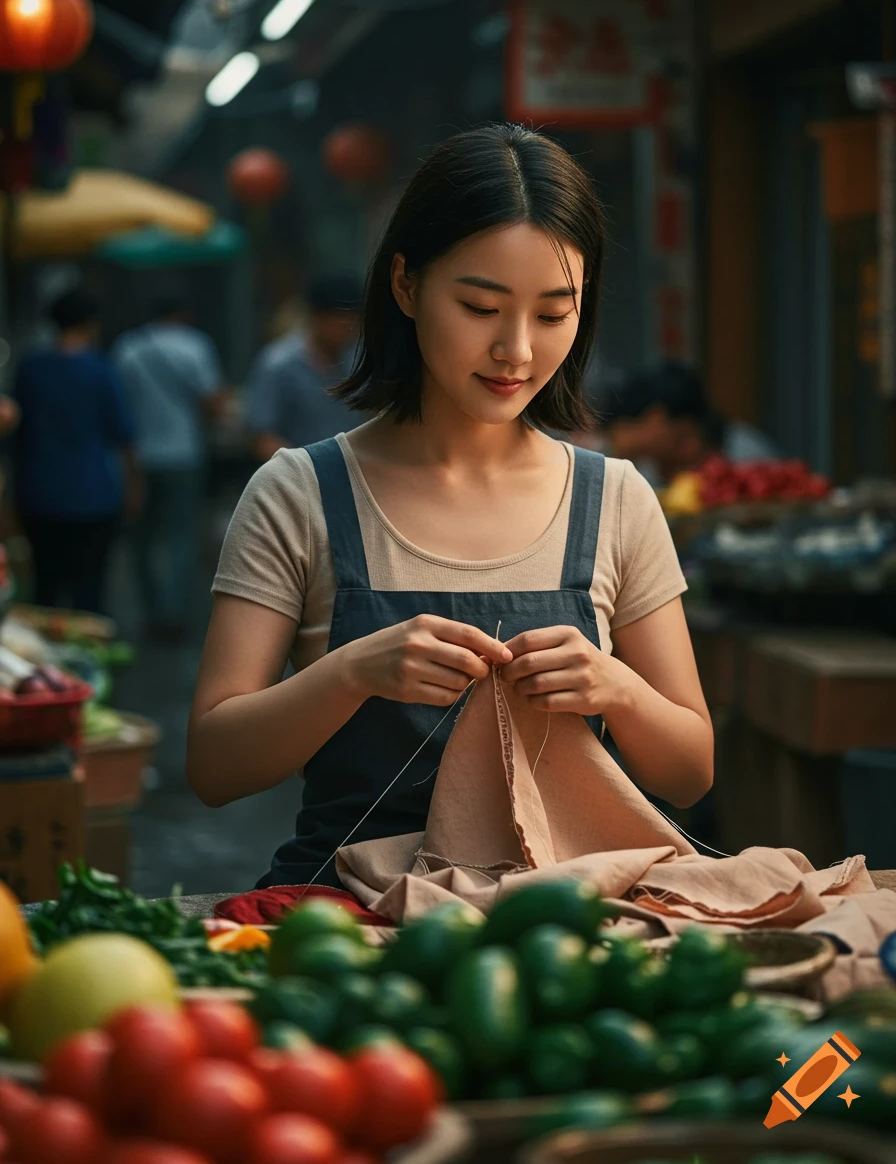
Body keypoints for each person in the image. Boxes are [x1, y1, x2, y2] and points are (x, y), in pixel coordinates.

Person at [187, 123, 713, 890]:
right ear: (405, 285)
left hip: (558, 928)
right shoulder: (297, 493)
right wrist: (352, 671)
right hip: (351, 927)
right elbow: (212, 766)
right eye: (480, 306)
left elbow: (691, 771)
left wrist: (617, 688)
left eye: (552, 313)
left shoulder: (617, 500)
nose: (517, 350)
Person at [11, 287, 141, 614]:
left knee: (45, 588)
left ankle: (41, 661)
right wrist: (135, 484)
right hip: (93, 495)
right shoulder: (100, 370)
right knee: (90, 590)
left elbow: (15, 436)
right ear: (91, 324)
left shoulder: (31, 369)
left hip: (39, 494)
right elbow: (122, 435)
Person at [113, 287, 228, 641]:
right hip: (183, 455)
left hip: (138, 459)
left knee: (141, 539)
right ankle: (173, 613)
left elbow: (118, 406)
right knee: (181, 534)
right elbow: (213, 402)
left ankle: (150, 612)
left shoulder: (127, 347)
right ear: (183, 315)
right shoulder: (195, 345)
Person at [599, 360, 778, 487]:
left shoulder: (746, 455)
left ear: (657, 419)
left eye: (620, 431)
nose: (617, 440)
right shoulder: (646, 469)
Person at [245, 274, 364, 462]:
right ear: (316, 317)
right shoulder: (278, 363)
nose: (349, 330)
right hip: (297, 476)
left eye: (353, 322)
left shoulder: (358, 362)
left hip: (352, 473)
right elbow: (261, 436)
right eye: (341, 322)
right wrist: (308, 469)